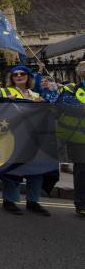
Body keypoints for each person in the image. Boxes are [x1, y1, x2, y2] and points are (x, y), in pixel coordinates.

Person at [0, 65, 50, 216]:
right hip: (14, 137)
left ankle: (33, 201)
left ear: (28, 77)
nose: (19, 76)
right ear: (11, 78)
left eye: (22, 74)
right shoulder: (4, 92)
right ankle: (9, 200)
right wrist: (4, 102)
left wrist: (44, 104)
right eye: (15, 74)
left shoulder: (35, 95)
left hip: (35, 138)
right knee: (14, 170)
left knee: (37, 170)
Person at [57, 60, 85, 217]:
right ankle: (81, 204)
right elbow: (61, 104)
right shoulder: (70, 88)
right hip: (78, 138)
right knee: (82, 171)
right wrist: (80, 107)